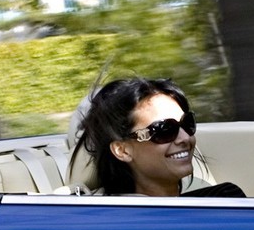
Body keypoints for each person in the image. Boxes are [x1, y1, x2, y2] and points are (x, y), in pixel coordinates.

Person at [73, 77, 243, 197]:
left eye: (186, 123)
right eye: (164, 129)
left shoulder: (225, 200)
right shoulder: (118, 227)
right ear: (122, 150)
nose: (184, 138)